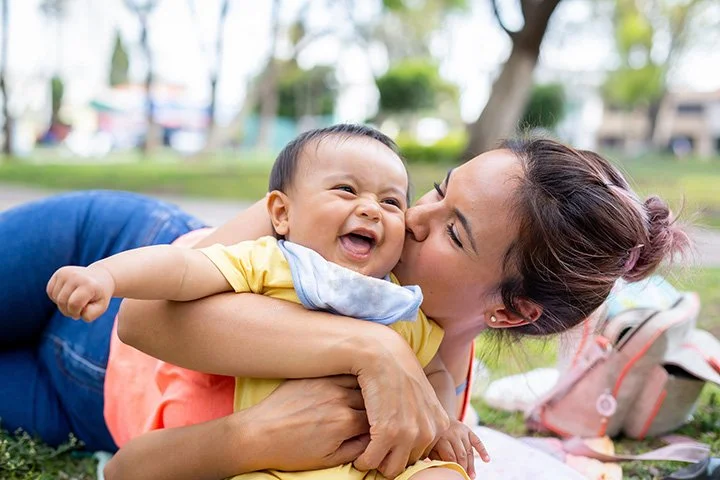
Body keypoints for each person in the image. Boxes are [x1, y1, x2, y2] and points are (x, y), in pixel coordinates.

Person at [0, 136, 687, 480]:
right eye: (437, 190)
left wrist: (253, 439)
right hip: (107, 252)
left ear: (507, 313)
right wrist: (370, 348)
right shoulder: (340, 212)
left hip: (84, 410)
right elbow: (144, 317)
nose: (413, 215)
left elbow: (130, 469)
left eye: (453, 230)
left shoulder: (419, 403)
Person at [47, 124, 487, 479]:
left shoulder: (396, 302)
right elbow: (181, 270)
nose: (375, 209)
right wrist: (105, 274)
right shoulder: (273, 262)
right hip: (112, 265)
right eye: (348, 191)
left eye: (392, 201)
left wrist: (442, 420)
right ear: (279, 213)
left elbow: (432, 374)